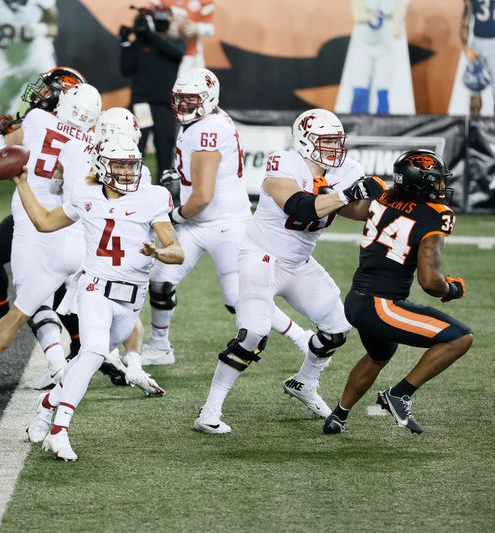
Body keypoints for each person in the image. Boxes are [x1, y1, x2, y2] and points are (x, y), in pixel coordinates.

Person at [193, 108, 381, 433]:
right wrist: (349, 193)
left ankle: (304, 383)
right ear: (305, 141)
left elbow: (357, 211)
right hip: (260, 255)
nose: (334, 148)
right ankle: (209, 411)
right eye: (326, 141)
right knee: (253, 333)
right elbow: (299, 207)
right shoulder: (283, 161)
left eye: (337, 140)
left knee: (337, 329)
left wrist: (378, 200)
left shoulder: (347, 169)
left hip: (298, 262)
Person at [20, 134, 184, 461]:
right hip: (95, 287)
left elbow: (177, 251)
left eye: (131, 165)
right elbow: (44, 222)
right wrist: (22, 183)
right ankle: (59, 430)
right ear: (102, 165)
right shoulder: (84, 194)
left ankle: (45, 408)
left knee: (86, 361)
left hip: (131, 298)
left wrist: (160, 252)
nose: (127, 172)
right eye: (120, 165)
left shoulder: (152, 198)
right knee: (93, 350)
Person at [143, 68, 312, 366]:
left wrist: (173, 216)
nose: (183, 106)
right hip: (203, 222)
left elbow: (202, 196)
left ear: (208, 99)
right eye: (179, 99)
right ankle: (160, 347)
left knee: (240, 299)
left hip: (224, 224)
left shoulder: (207, 130)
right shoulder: (206, 121)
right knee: (160, 279)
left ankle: (303, 338)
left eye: (191, 99)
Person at [0, 83, 102, 395]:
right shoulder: (96, 141)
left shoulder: (38, 118)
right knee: (101, 308)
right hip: (77, 228)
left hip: (33, 218)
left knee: (27, 303)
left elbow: (9, 150)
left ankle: (42, 368)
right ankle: (122, 361)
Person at [324, 150, 473, 435]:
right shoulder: (436, 215)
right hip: (382, 305)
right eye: (435, 181)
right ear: (419, 182)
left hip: (356, 301)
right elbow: (430, 281)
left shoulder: (383, 196)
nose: (440, 187)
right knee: (460, 337)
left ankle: (338, 416)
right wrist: (452, 289)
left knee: (379, 354)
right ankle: (399, 394)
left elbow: (344, 209)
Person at [0, 66, 85, 350]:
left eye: (48, 89)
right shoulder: (85, 132)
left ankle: (76, 347)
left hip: (44, 212)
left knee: (44, 286)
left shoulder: (37, 120)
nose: (41, 93)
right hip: (56, 214)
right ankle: (82, 344)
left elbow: (4, 153)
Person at [0, 0, 58, 155]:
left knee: (50, 102)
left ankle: (50, 145)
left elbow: (53, 27)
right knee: (1, 108)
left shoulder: (41, 3)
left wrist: (40, 29)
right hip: (7, 64)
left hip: (37, 59)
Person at [119, 5, 184, 184]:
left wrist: (150, 34)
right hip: (142, 106)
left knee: (165, 151)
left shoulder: (174, 43)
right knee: (135, 150)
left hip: (163, 107)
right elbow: (126, 70)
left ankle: (165, 194)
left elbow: (176, 52)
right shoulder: (139, 44)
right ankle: (131, 189)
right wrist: (125, 43)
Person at [349, 0, 408, 114]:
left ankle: (383, 128)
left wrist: (397, 27)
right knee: (359, 91)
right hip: (362, 45)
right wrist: (369, 17)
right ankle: (354, 127)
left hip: (386, 46)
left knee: (383, 92)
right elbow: (357, 15)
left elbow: (400, 13)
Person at [152, 0, 215, 78]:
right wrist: (166, 28)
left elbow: (210, 29)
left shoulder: (205, 2)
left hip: (190, 53)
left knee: (189, 86)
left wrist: (197, 27)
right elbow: (149, 20)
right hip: (164, 53)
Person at [461, 0, 495, 116]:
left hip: (483, 44)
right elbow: (465, 21)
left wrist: (465, 46)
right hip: (478, 44)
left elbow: (465, 23)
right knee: (474, 91)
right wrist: (466, 47)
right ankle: (473, 127)